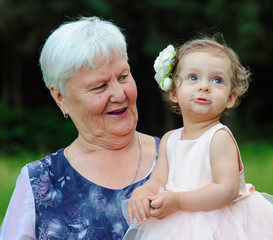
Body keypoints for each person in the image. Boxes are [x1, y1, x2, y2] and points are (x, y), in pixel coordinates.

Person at [0, 16, 160, 239]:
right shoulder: (40, 182)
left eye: (123, 77)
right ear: (60, 97)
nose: (119, 94)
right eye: (100, 86)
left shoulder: (180, 155)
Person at [125, 36, 273, 239]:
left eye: (217, 80)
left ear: (230, 98)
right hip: (176, 226)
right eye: (193, 77)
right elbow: (158, 179)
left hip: (221, 224)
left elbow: (226, 190)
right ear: (174, 92)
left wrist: (178, 202)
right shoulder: (170, 139)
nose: (204, 86)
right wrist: (143, 192)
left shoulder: (218, 138)